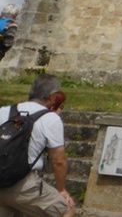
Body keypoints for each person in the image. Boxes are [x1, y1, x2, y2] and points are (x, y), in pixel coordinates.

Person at [0, 74, 75, 217]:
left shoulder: (4, 111)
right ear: (53, 96)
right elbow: (58, 160)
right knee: (67, 209)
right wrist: (61, 190)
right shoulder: (51, 118)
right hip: (23, 186)